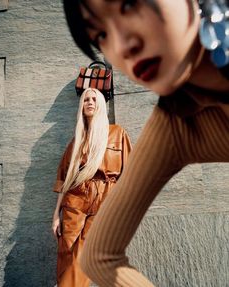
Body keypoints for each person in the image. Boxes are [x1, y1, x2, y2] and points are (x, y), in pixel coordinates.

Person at [63, 1, 229, 286]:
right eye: (100, 35)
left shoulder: (117, 135)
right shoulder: (175, 126)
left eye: (129, 4)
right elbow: (100, 256)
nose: (122, 46)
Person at [51, 87, 132, 287]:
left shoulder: (117, 133)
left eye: (94, 99)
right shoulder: (75, 142)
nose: (89, 102)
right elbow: (64, 180)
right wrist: (55, 215)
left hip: (106, 197)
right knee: (66, 251)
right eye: (86, 99)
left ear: (101, 105)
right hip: (76, 198)